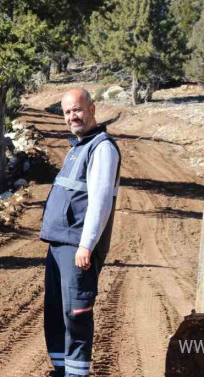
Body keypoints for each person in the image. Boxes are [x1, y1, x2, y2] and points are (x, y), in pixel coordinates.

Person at [40, 88, 121, 377]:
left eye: (77, 109)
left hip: (77, 249)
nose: (72, 116)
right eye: (66, 112)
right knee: (56, 312)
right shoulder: (78, 147)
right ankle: (61, 369)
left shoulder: (102, 147)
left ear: (92, 108)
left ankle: (76, 373)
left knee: (77, 314)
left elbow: (99, 202)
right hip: (60, 246)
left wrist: (86, 246)